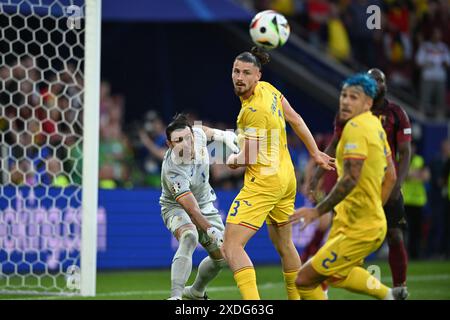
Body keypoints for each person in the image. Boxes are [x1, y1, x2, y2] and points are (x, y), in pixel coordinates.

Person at [221, 47, 334, 300]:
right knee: (285, 245)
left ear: (257, 75)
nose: (240, 77)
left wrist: (231, 160)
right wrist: (315, 153)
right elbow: (295, 119)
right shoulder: (269, 90)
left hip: (265, 182)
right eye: (236, 71)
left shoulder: (253, 111)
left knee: (231, 245)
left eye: (246, 73)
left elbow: (247, 157)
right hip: (286, 178)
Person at [291, 74, 407, 300]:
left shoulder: (355, 127)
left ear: (367, 103)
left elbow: (351, 178)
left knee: (304, 280)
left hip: (360, 228)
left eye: (354, 97)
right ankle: (391, 296)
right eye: (344, 95)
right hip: (359, 222)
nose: (345, 101)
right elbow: (391, 176)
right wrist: (374, 209)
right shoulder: (375, 125)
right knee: (336, 276)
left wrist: (317, 211)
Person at [159, 113, 238, 300]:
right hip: (175, 207)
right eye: (179, 140)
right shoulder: (172, 170)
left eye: (188, 138)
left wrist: (222, 135)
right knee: (189, 236)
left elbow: (203, 131)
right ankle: (176, 296)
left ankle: (196, 292)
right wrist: (211, 231)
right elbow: (192, 211)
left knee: (220, 258)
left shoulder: (197, 136)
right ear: (169, 145)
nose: (186, 143)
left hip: (205, 203)